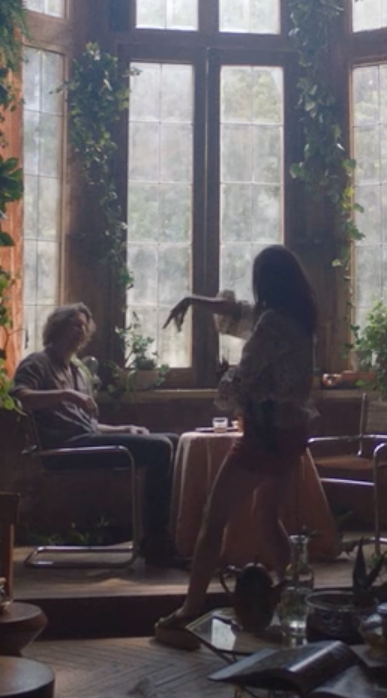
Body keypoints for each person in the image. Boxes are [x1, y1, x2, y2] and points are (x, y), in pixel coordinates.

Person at [152, 245, 319, 649]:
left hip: (265, 433)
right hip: (291, 431)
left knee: (213, 519)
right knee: (266, 517)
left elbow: (246, 374)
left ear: (266, 282)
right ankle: (298, 602)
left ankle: (189, 610)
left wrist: (226, 380)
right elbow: (240, 312)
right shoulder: (299, 317)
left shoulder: (272, 323)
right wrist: (194, 299)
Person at [10, 303, 181, 565]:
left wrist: (124, 429)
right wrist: (66, 394)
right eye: (74, 325)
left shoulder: (77, 370)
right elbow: (19, 396)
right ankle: (155, 539)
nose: (80, 331)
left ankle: (167, 533)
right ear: (57, 327)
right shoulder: (38, 362)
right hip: (63, 449)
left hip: (86, 440)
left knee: (175, 441)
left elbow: (89, 425)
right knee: (159, 447)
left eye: (83, 327)